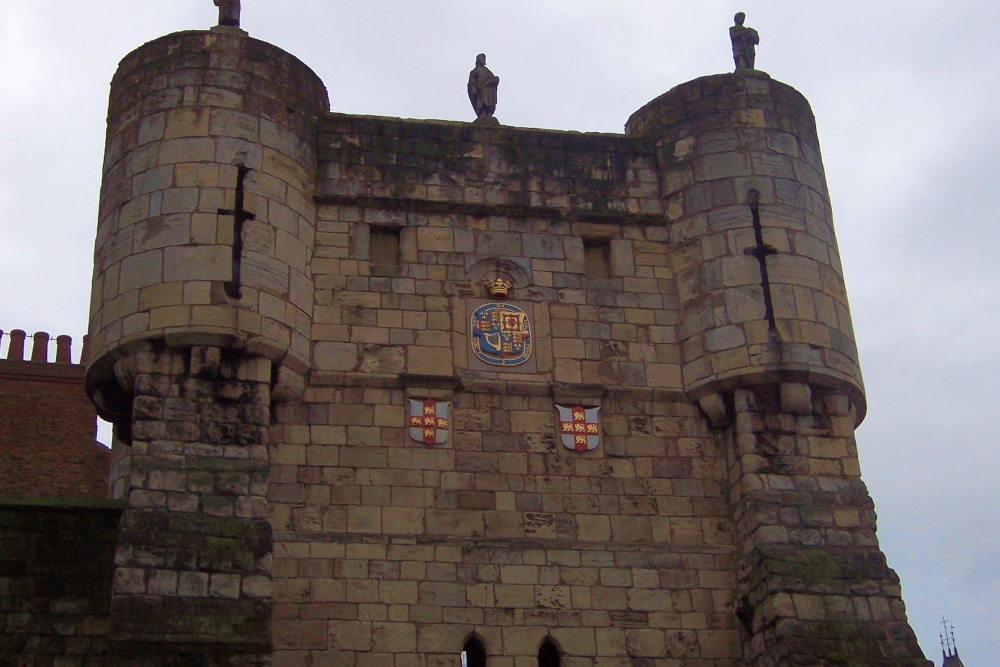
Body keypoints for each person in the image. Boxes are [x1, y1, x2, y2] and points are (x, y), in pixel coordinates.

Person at [467, 54, 500, 121]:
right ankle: (483, 112)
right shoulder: (474, 71)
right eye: (483, 59)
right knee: (482, 101)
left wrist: (495, 79)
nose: (484, 61)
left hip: (488, 89)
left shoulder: (487, 70)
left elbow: (492, 77)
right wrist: (474, 86)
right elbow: (471, 81)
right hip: (480, 88)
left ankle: (489, 113)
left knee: (489, 100)